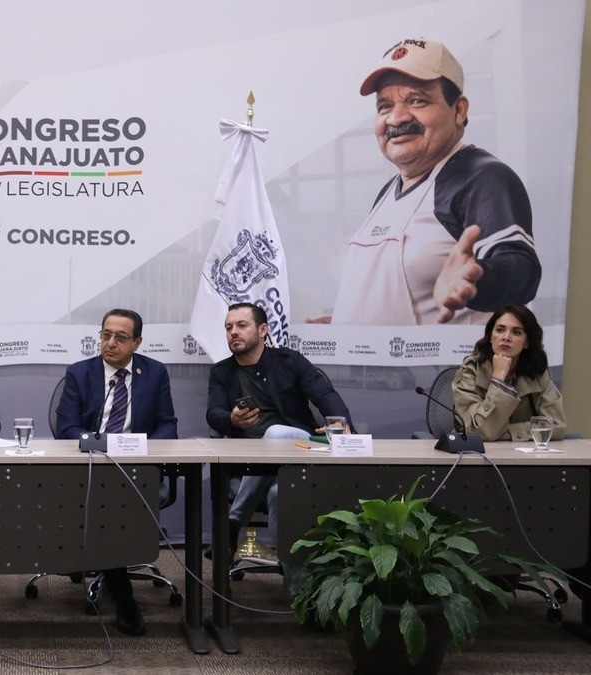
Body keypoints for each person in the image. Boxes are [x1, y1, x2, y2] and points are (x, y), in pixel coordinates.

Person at [320, 37, 540, 325]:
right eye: (384, 106)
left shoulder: (481, 177)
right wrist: (346, 325)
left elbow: (520, 267)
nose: (396, 118)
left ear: (459, 110)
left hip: (449, 371)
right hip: (372, 369)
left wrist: (476, 280)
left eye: (417, 100)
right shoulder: (389, 193)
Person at [54, 308, 176, 636]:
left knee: (111, 503)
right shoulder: (80, 373)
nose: (110, 343)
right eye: (106, 335)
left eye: (121, 337)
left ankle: (117, 582)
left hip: (138, 470)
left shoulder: (154, 373)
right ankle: (124, 597)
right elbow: (66, 428)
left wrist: (144, 451)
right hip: (92, 467)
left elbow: (167, 425)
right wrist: (99, 444)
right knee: (106, 500)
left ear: (137, 342)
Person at [207, 302, 350, 556]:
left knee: (274, 433)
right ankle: (294, 589)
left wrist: (340, 423)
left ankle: (233, 521)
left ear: (263, 330)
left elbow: (325, 394)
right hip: (249, 461)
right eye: (228, 327)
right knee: (279, 493)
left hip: (297, 450)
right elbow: (213, 413)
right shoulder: (222, 371)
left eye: (241, 325)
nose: (233, 332)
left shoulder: (289, 361)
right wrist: (232, 419)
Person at [452, 304, 565, 442]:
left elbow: (556, 425)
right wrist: (498, 380)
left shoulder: (537, 371)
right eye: (500, 330)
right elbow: (480, 432)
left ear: (527, 342)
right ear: (491, 337)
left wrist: (506, 433)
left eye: (516, 332)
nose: (506, 337)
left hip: (524, 457)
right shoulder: (470, 371)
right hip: (478, 456)